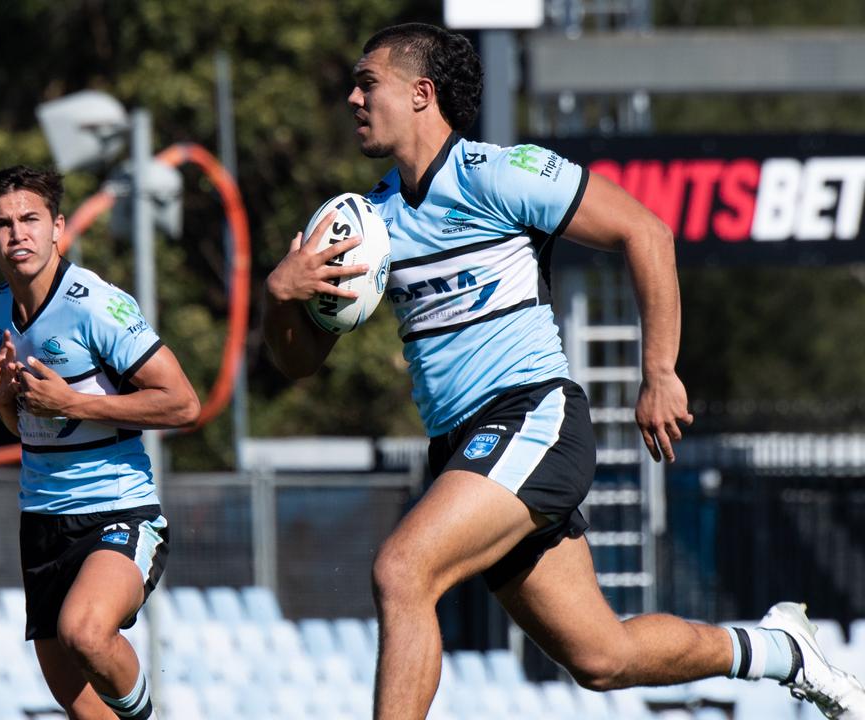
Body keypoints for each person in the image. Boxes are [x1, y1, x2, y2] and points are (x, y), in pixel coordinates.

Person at [263, 22, 865, 720]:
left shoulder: (499, 173)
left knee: (403, 570)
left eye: (368, 83)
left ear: (421, 93)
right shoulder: (372, 221)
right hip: (463, 449)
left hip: (530, 418)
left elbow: (645, 230)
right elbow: (300, 362)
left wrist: (660, 372)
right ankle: (780, 651)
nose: (352, 98)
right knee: (601, 658)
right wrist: (283, 295)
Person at [0, 165, 198, 720]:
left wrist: (75, 403)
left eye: (30, 219)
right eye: (1, 224)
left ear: (58, 227)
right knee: (78, 704)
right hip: (42, 522)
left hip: (118, 511)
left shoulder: (94, 304)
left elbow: (182, 402)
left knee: (86, 632)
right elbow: (29, 428)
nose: (17, 234)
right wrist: (3, 400)